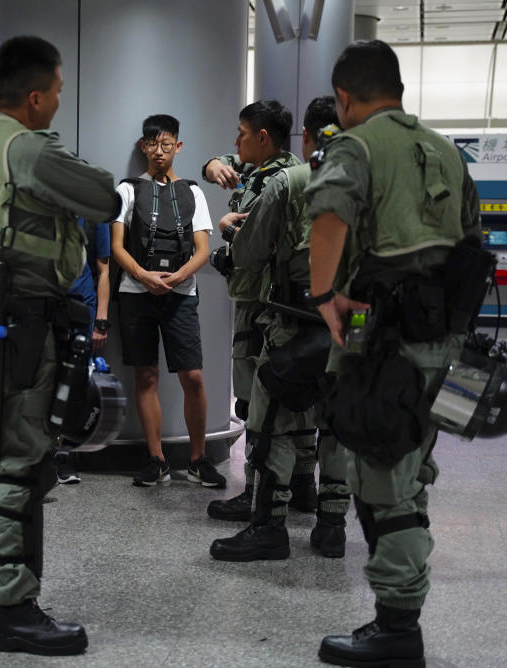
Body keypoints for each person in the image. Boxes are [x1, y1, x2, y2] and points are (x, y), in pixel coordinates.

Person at [0, 35, 121, 656]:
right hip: (27, 324)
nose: (59, 102)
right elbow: (105, 196)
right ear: (35, 96)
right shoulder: (30, 147)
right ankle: (11, 608)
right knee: (19, 462)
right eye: (59, 92)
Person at [306, 40, 480, 667]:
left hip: (384, 341)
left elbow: (328, 215)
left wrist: (324, 294)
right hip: (445, 343)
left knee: (382, 478)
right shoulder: (446, 151)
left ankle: (398, 629)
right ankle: (396, 617)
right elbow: (470, 241)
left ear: (345, 97)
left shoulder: (356, 146)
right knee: (411, 469)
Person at [209, 97, 351, 563]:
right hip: (357, 328)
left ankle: (269, 526)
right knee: (337, 424)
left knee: (275, 421)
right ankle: (331, 527)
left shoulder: (290, 182)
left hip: (297, 323)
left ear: (307, 136)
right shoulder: (374, 184)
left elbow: (248, 254)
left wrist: (230, 234)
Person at [201, 101, 317, 522]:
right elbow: (225, 160)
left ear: (263, 137)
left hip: (260, 301)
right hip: (274, 300)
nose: (236, 141)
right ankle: (304, 483)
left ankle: (257, 490)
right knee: (296, 395)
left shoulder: (277, 183)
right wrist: (213, 163)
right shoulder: (270, 169)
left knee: (256, 398)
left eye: (242, 133)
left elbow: (257, 245)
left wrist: (228, 230)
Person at [110, 114, 223, 489]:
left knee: (192, 376)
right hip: (135, 294)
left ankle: (198, 459)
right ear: (144, 147)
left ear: (179, 146)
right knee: (146, 375)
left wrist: (178, 277)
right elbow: (116, 247)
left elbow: (203, 249)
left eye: (167, 144)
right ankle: (155, 458)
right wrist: (142, 275)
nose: (160, 151)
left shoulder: (193, 192)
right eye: (153, 144)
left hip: (181, 293)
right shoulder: (127, 190)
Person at [54, 217, 112, 485]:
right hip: (43, 300)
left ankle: (63, 454)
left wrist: (101, 320)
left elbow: (103, 269)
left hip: (81, 303)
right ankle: (39, 453)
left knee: (74, 381)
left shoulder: (92, 210)